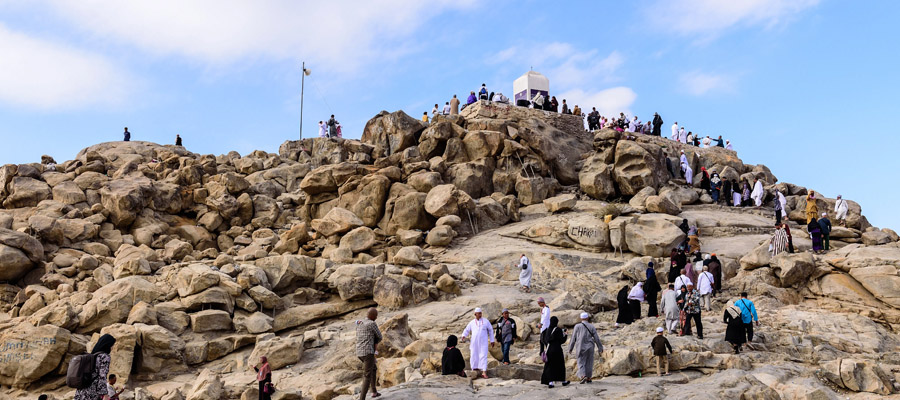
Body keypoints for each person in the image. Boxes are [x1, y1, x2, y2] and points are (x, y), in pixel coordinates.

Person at [75, 334, 116, 400]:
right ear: (107, 345)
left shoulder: (92, 355)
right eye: (112, 345)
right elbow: (102, 376)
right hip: (92, 392)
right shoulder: (104, 357)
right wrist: (105, 394)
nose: (112, 348)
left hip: (81, 390)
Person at [568, 312, 603, 384]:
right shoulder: (591, 326)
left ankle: (583, 376)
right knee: (589, 362)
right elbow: (596, 338)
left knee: (580, 361)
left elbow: (573, 338)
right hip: (590, 346)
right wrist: (600, 347)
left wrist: (570, 348)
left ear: (581, 318)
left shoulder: (577, 326)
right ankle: (589, 378)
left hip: (581, 346)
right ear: (587, 318)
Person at [461, 307, 495, 379]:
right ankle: (474, 369)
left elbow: (491, 330)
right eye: (478, 313)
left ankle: (484, 372)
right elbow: (467, 329)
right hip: (474, 342)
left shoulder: (486, 321)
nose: (479, 315)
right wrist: (464, 335)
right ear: (475, 314)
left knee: (483, 355)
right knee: (473, 354)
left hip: (483, 342)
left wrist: (492, 340)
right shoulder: (472, 322)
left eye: (480, 313)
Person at [356, 307, 382, 400]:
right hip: (368, 352)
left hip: (359, 352)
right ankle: (362, 398)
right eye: (376, 315)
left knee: (373, 368)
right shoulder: (372, 323)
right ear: (372, 316)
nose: (376, 317)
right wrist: (375, 341)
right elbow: (379, 336)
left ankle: (374, 391)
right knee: (367, 375)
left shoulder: (360, 323)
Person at [540, 316, 569, 388]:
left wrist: (541, 350)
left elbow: (543, 340)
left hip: (549, 350)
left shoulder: (546, 330)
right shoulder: (558, 330)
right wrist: (565, 334)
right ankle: (563, 381)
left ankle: (550, 382)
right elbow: (562, 341)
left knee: (550, 366)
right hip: (557, 350)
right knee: (560, 365)